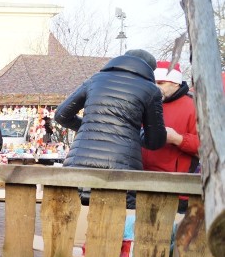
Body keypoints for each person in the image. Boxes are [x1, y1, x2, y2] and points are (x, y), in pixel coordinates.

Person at [54, 49, 167, 209]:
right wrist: (131, 134)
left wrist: (90, 128)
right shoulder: (150, 90)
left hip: (78, 167)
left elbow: (61, 115)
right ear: (149, 68)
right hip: (121, 172)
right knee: (114, 225)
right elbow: (155, 141)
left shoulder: (96, 80)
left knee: (71, 221)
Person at [143, 61, 199, 213]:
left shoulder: (194, 106)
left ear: (175, 83)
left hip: (176, 190)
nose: (155, 86)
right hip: (141, 185)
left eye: (160, 82)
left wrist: (177, 139)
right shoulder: (145, 103)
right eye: (152, 82)